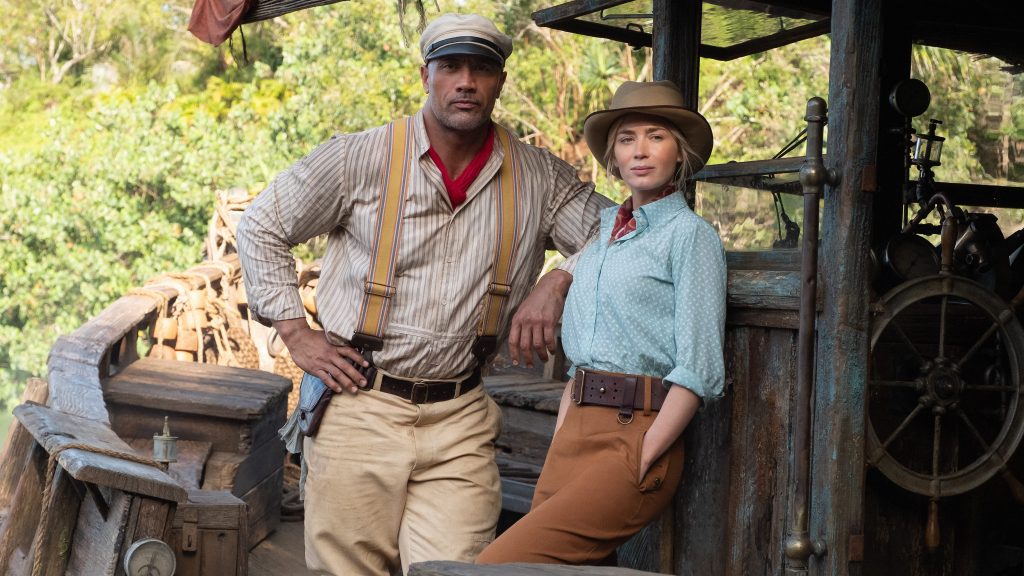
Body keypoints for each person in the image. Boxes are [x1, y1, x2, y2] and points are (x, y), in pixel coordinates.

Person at [235, 12, 612, 576]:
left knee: (456, 570)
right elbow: (261, 226)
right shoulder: (359, 157)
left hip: (460, 415)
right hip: (360, 403)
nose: (466, 81)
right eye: (451, 67)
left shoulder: (538, 176)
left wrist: (559, 278)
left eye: (482, 69)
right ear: (425, 76)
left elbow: (624, 233)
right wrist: (295, 332)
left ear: (499, 83)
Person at [476, 80, 727, 565]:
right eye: (627, 139)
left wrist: (647, 449)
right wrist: (564, 432)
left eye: (656, 136)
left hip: (637, 433)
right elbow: (582, 359)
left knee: (498, 566)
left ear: (680, 152)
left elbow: (698, 367)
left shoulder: (690, 237)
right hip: (574, 432)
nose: (641, 150)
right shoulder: (605, 235)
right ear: (613, 156)